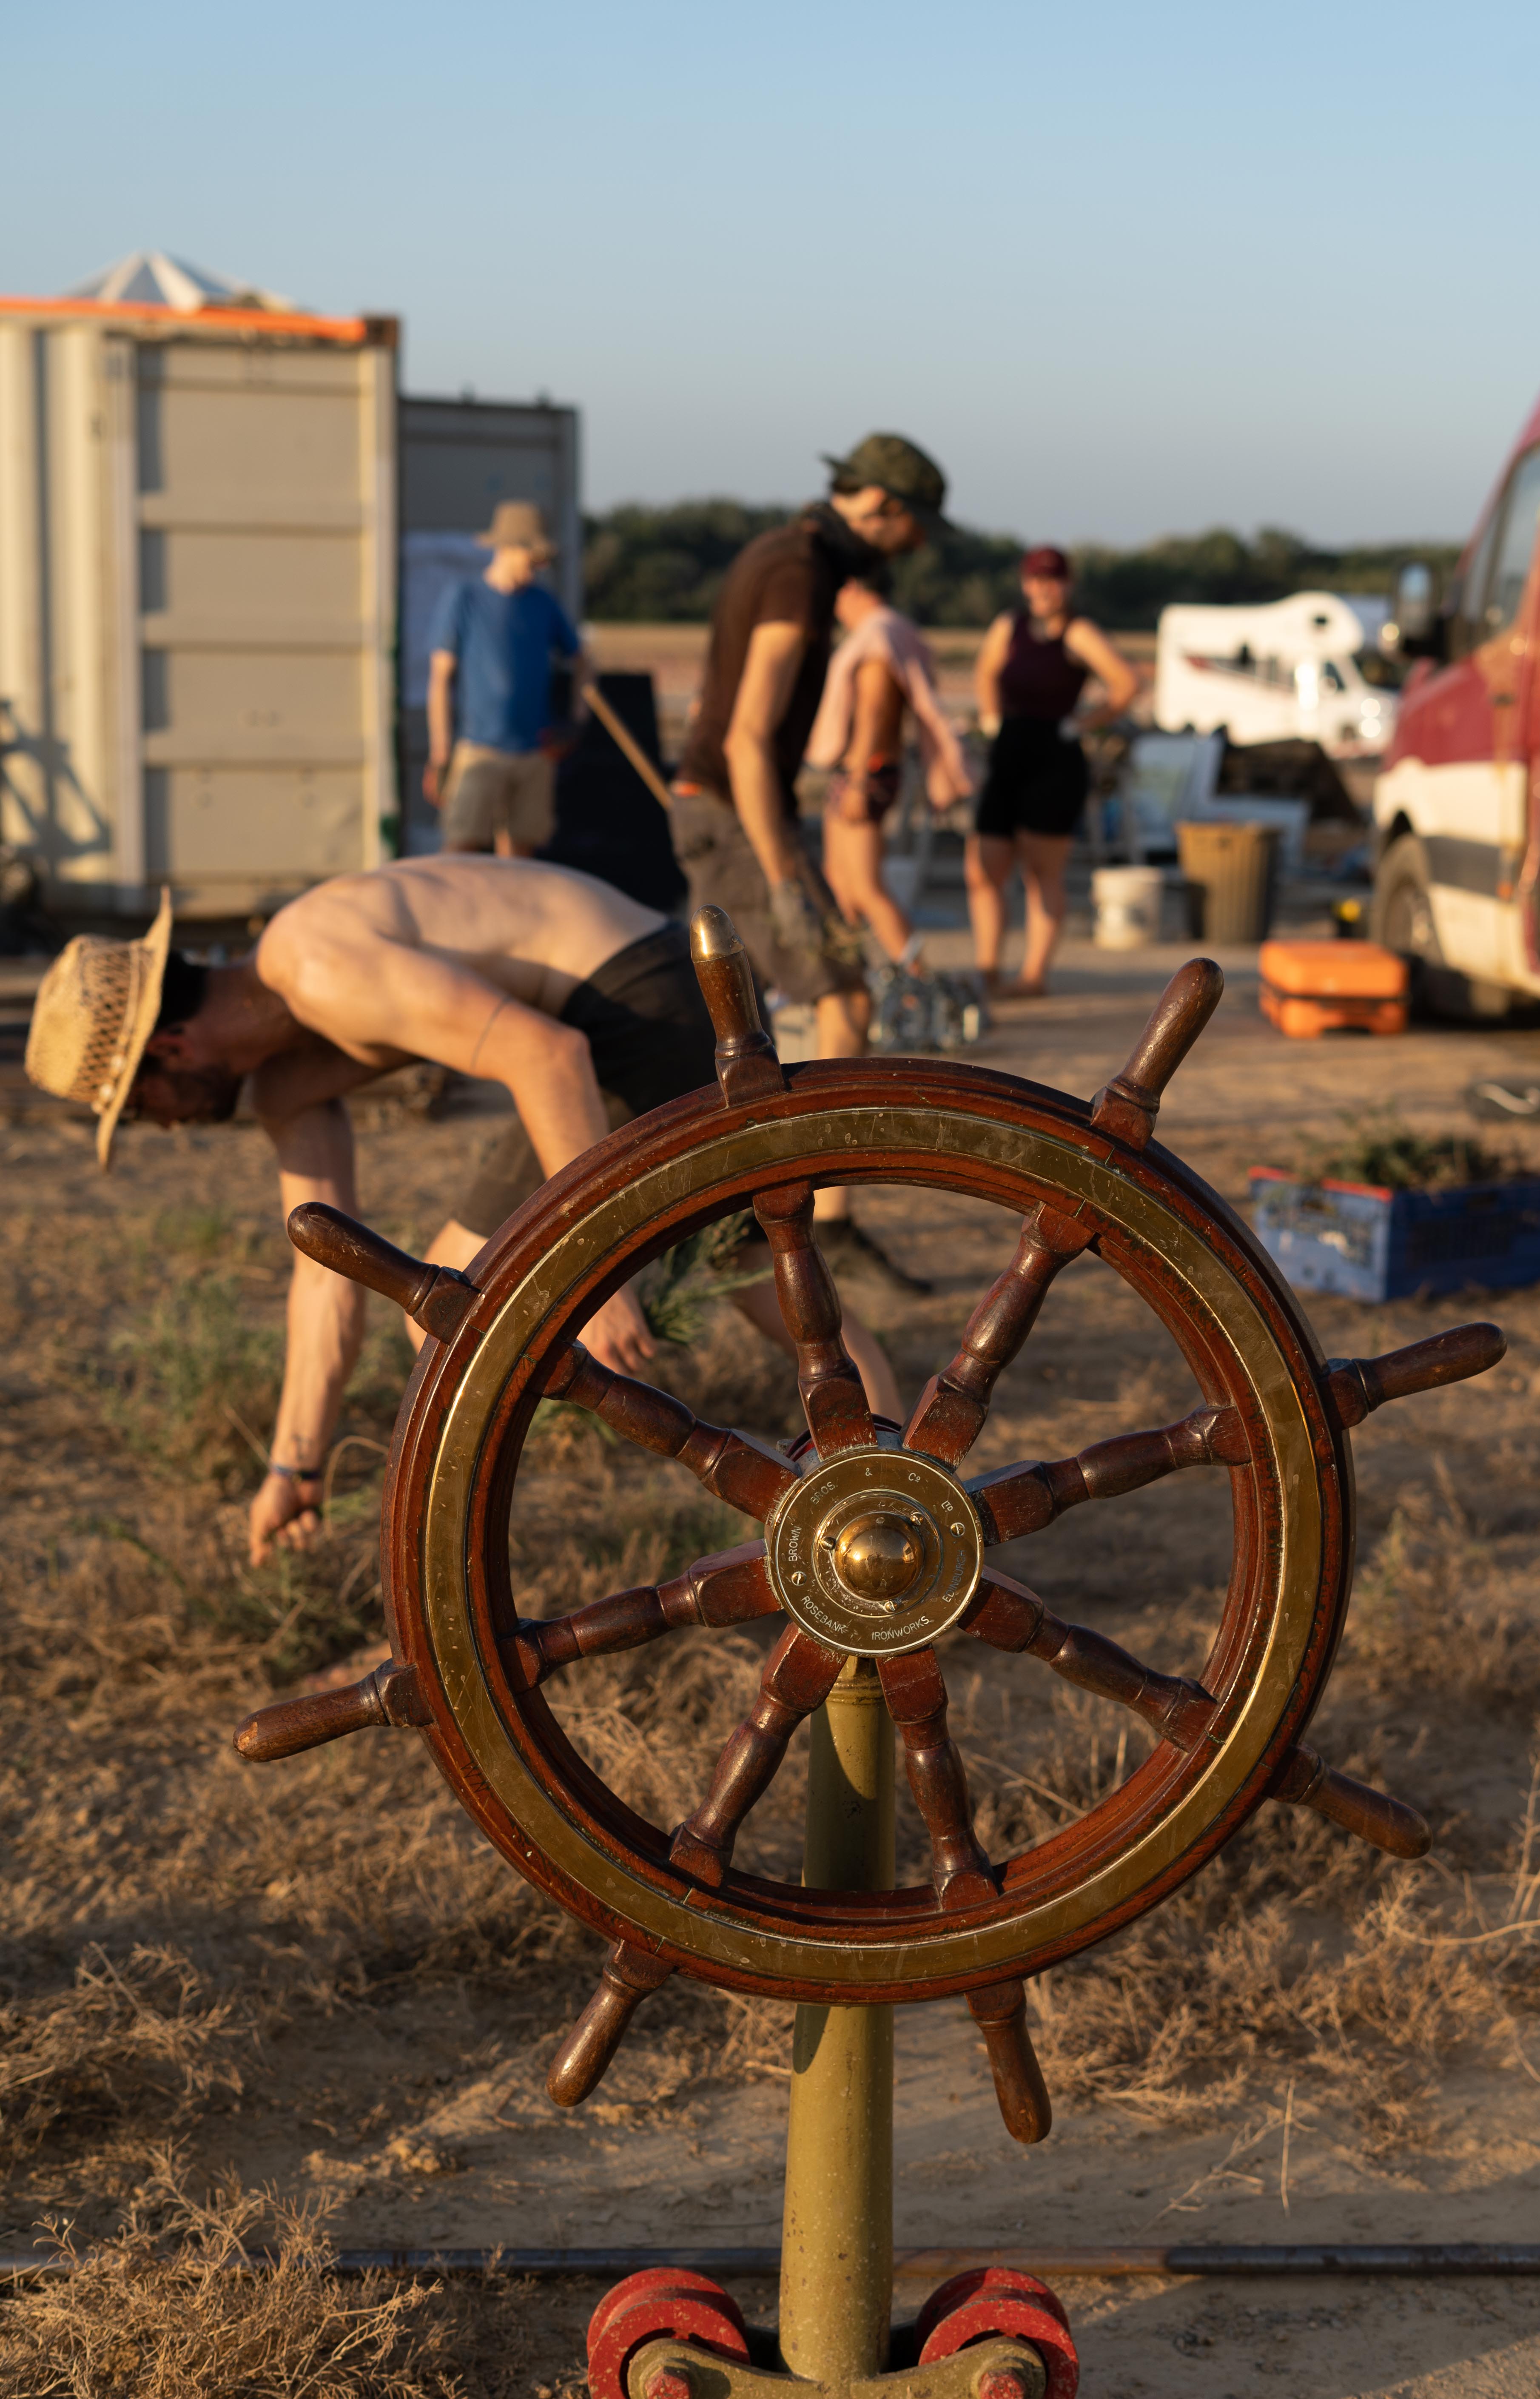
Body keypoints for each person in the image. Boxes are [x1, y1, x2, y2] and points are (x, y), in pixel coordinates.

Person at [24, 863, 899, 1564]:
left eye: (142, 1111)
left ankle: (472, 1593)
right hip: (615, 1004)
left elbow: (546, 1055)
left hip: (630, 998)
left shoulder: (314, 964)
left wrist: (594, 1276)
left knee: (466, 1308)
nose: (166, 1129)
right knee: (745, 1274)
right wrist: (296, 1464)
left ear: (168, 1052)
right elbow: (327, 1284)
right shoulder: (288, 1080)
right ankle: (904, 1494)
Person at [670, 433, 951, 1293]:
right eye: (913, 532)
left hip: (723, 811)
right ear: (880, 508)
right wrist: (785, 875)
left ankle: (783, 1222)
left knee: (736, 1025)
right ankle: (804, 1230)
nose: (914, 550)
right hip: (737, 816)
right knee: (842, 997)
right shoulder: (796, 575)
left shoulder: (785, 556)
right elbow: (748, 737)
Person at [965, 546, 1138, 1000]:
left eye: (1051, 579)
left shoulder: (1079, 632)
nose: (1041, 588)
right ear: (1025, 583)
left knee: (1042, 874)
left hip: (1053, 757)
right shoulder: (1010, 625)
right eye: (1034, 579)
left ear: (1067, 585)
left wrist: (1082, 723)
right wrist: (989, 717)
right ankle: (987, 970)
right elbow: (985, 672)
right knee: (983, 868)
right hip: (1008, 750)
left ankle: (1033, 976)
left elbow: (1126, 684)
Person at [806, 572, 972, 971]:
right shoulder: (894, 629)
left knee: (866, 887)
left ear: (856, 587)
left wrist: (860, 781)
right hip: (862, 772)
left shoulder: (878, 634)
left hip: (866, 773)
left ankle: (921, 981)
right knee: (839, 882)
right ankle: (849, 976)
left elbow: (875, 712)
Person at [425, 501, 582, 858]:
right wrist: (440, 755)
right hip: (480, 749)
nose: (539, 567)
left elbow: (582, 660)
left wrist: (577, 716)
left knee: (521, 857)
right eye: (534, 557)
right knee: (460, 848)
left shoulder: (543, 603)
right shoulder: (465, 599)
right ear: (509, 549)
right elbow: (440, 681)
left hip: (534, 753)